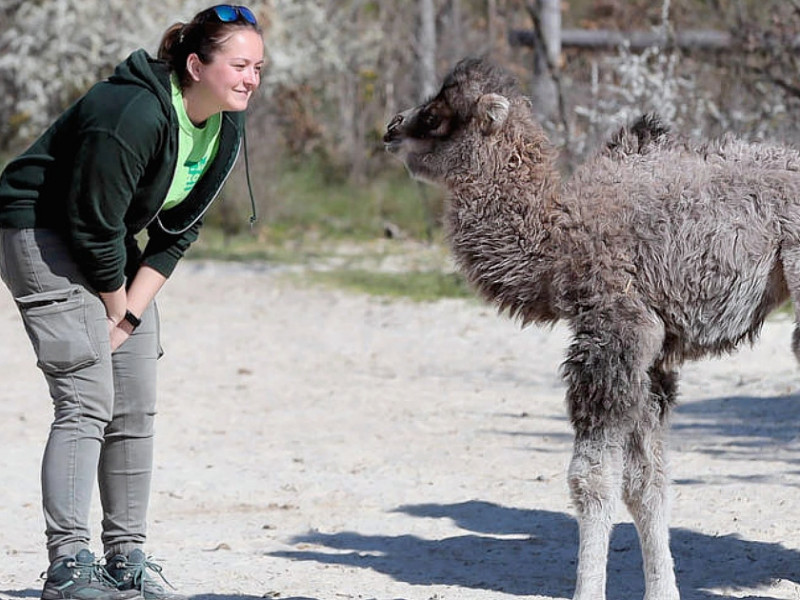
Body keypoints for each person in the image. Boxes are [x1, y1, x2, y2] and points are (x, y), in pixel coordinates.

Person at [0, 5, 264, 600]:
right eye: (239, 65)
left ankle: (125, 558)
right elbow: (91, 227)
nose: (251, 79)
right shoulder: (133, 112)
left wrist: (132, 313)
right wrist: (114, 308)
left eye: (258, 68)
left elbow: (178, 231)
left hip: (104, 247)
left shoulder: (226, 122)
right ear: (196, 64)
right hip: (39, 233)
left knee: (135, 403)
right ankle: (69, 564)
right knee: (87, 399)